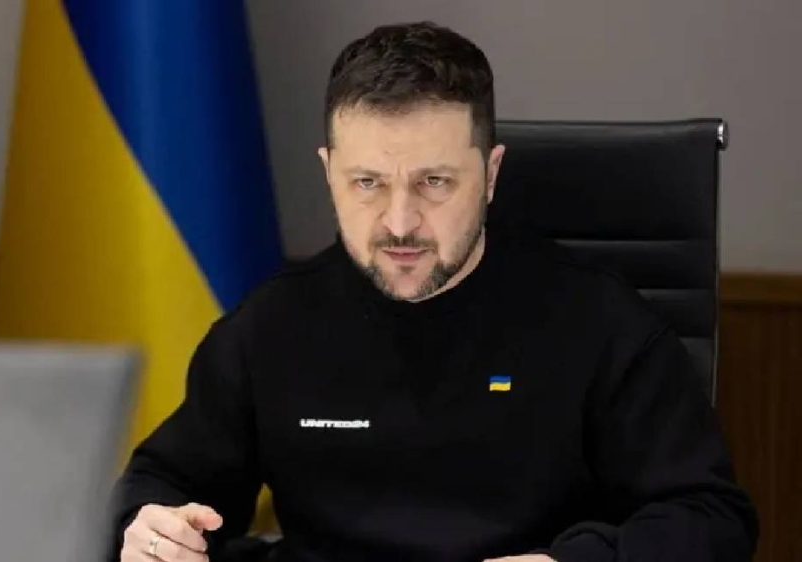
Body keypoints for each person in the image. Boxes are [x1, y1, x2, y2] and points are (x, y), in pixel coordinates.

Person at [108, 21, 758, 562]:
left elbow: (711, 518)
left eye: (434, 183)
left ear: (491, 174)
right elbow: (160, 484)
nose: (399, 223)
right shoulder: (269, 328)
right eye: (367, 183)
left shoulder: (600, 323)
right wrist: (146, 525)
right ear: (329, 173)